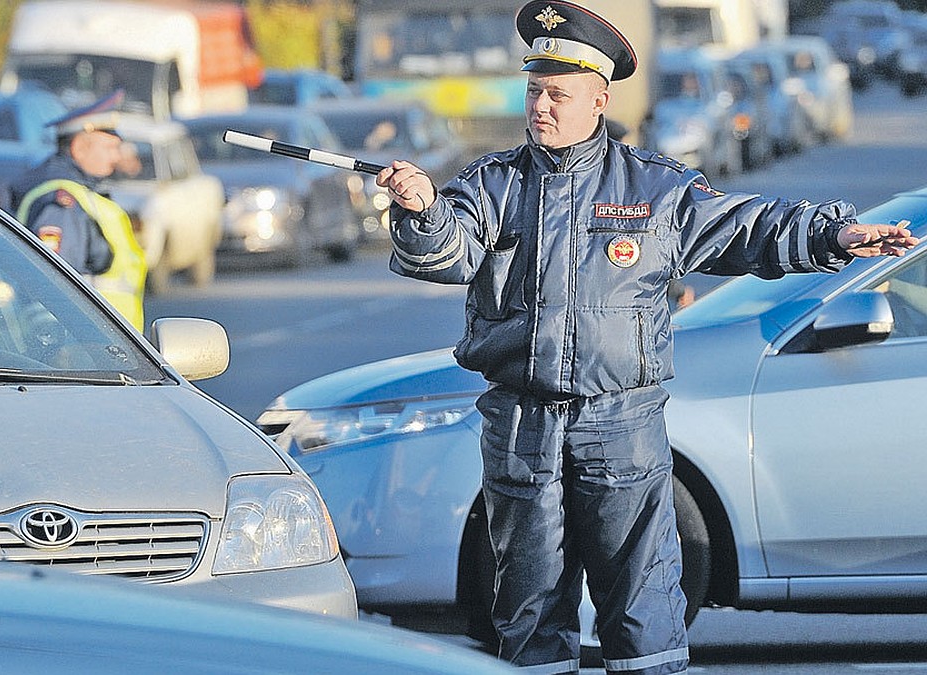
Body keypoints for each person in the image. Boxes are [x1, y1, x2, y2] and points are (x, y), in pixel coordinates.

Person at [374, 2, 919, 674]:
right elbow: (448, 251)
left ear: (599, 99)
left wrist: (833, 234)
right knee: (527, 611)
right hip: (521, 424)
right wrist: (422, 211)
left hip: (620, 425)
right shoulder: (493, 184)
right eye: (534, 90)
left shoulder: (655, 189)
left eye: (558, 94)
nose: (540, 107)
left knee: (642, 607)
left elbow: (748, 229)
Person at [7, 90, 146, 331]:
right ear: (80, 147)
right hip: (82, 342)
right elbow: (53, 283)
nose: (116, 158)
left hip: (102, 338)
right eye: (110, 148)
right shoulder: (62, 201)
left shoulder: (82, 193)